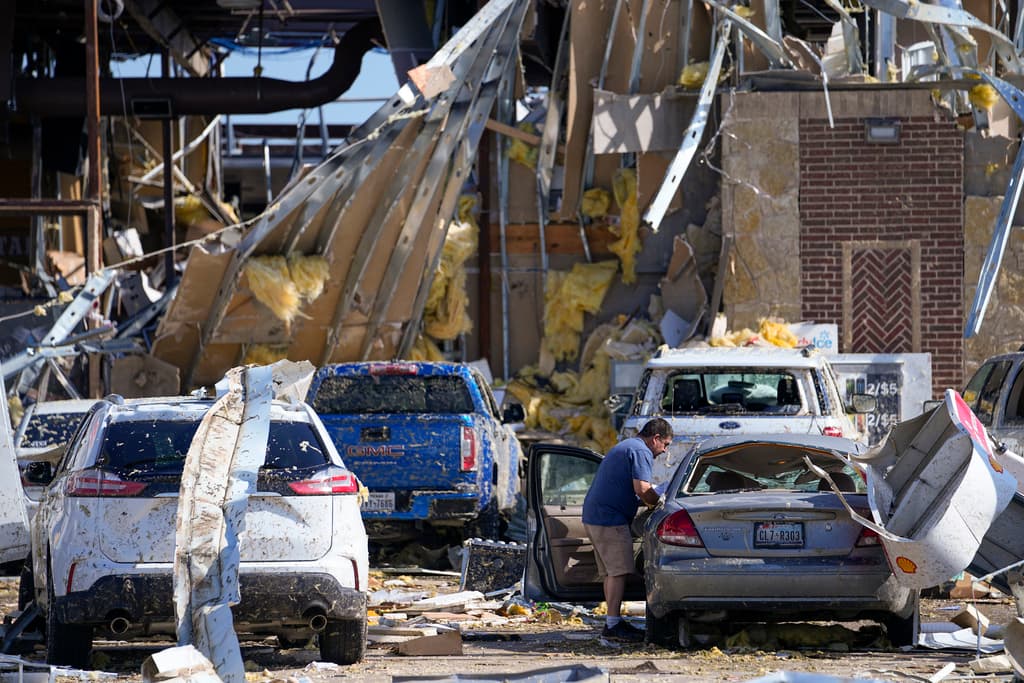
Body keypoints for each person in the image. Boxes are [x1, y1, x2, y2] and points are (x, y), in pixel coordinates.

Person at [582, 417, 673, 642]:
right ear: (656, 438)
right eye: (666, 444)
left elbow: (630, 489)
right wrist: (658, 503)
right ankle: (612, 626)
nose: (664, 451)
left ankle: (613, 622)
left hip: (597, 515)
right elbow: (642, 488)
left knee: (613, 573)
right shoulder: (641, 451)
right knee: (618, 571)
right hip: (609, 519)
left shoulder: (628, 446)